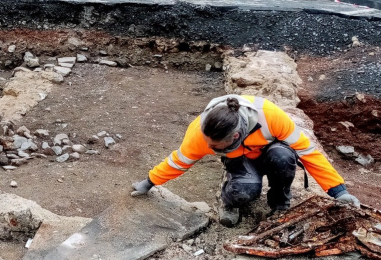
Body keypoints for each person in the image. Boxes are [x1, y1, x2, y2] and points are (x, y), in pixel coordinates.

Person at [131, 95, 359, 226]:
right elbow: (179, 161)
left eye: (215, 147)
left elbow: (309, 153)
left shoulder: (270, 116)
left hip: (272, 153)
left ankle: (279, 201)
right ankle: (230, 202)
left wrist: (339, 192)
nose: (208, 149)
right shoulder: (200, 134)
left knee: (283, 157)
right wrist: (149, 182)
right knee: (244, 190)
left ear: (236, 135)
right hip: (240, 161)